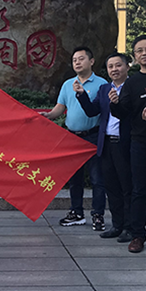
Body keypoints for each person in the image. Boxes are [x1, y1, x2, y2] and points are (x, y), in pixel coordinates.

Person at [109, 35, 146, 254]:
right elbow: (123, 112)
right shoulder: (132, 82)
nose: (144, 53)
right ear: (135, 56)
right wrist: (115, 104)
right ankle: (138, 235)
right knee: (138, 191)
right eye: (139, 51)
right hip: (139, 142)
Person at [41, 47, 107, 230]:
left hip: (93, 137)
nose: (77, 62)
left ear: (91, 61)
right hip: (72, 137)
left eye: (81, 59)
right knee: (74, 179)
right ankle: (76, 212)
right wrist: (48, 116)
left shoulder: (101, 84)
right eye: (74, 60)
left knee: (97, 179)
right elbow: (60, 107)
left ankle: (98, 215)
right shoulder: (68, 84)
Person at [75, 52, 132, 239]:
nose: (114, 69)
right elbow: (92, 111)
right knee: (111, 186)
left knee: (127, 187)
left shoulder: (133, 87)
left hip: (125, 143)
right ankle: (117, 225)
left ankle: (130, 227)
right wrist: (81, 95)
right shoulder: (104, 89)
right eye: (110, 66)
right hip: (106, 143)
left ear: (127, 67)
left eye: (118, 65)